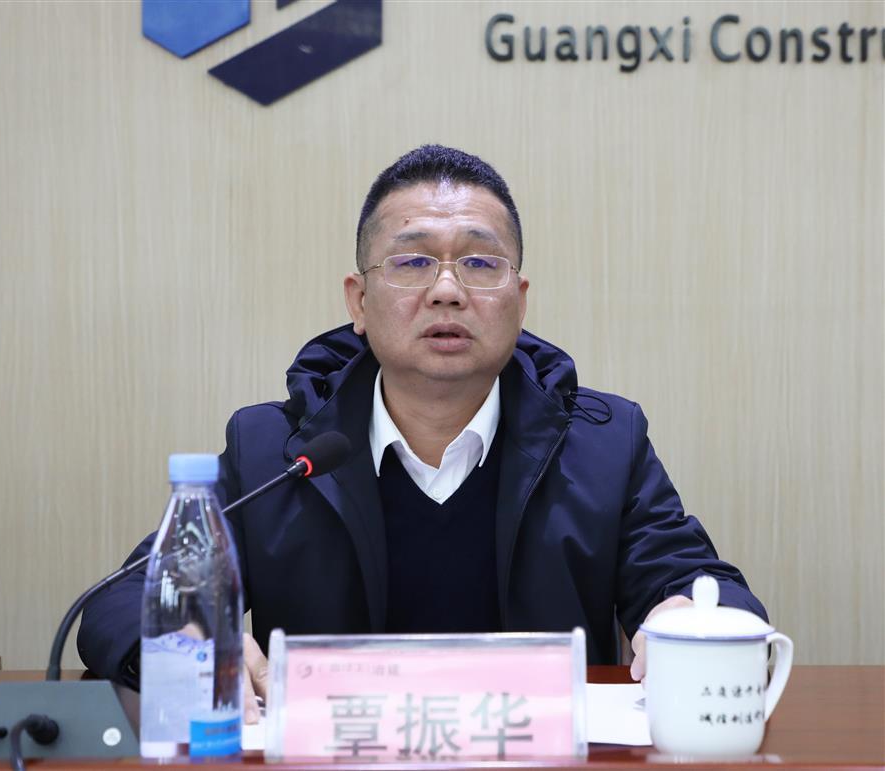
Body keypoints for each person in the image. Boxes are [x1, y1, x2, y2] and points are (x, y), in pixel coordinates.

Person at [78, 145, 766, 722]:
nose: (446, 290)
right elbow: (122, 601)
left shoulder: (605, 445)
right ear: (358, 300)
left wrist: (689, 618)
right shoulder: (273, 450)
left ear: (519, 300)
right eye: (412, 263)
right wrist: (182, 644)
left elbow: (704, 585)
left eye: (480, 263)